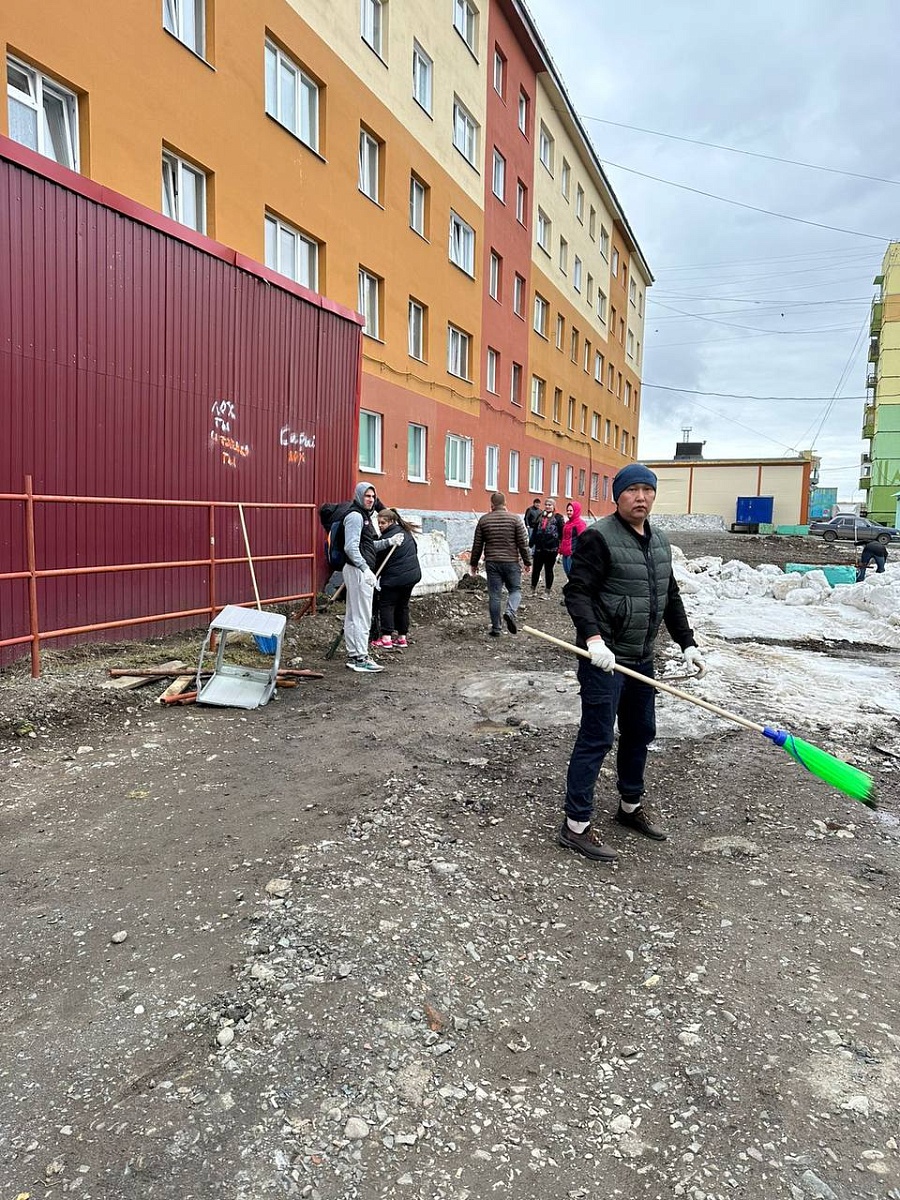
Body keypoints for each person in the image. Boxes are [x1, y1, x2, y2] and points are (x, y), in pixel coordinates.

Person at [558, 463, 708, 861]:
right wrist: (593, 640)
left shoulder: (659, 540)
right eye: (632, 490)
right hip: (604, 659)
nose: (641, 497)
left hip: (642, 658)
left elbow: (668, 595)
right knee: (597, 737)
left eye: (647, 490)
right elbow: (578, 593)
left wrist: (687, 643)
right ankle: (575, 825)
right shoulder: (598, 537)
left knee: (641, 730)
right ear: (618, 495)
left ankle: (629, 807)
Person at [341, 482, 404, 673]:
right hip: (358, 570)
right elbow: (350, 547)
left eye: (373, 496)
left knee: (354, 615)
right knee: (361, 615)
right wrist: (365, 569)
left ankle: (355, 654)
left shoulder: (363, 516)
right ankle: (361, 657)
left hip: (358, 569)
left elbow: (367, 546)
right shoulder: (355, 516)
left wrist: (388, 542)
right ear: (359, 496)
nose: (370, 499)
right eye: (367, 496)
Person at [470, 492, 532, 637]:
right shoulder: (515, 519)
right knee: (515, 590)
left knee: (495, 595)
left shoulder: (484, 520)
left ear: (491, 504)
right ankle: (510, 612)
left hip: (492, 562)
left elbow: (477, 545)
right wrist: (527, 561)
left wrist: (474, 564)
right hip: (511, 561)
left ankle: (496, 628)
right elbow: (523, 543)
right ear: (505, 503)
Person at [371, 509, 422, 650]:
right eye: (378, 522)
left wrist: (371, 575)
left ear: (392, 522)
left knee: (387, 604)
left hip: (395, 577)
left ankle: (386, 638)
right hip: (412, 576)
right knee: (402, 606)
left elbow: (378, 560)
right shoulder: (405, 533)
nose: (380, 525)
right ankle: (402, 638)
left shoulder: (388, 537)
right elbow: (415, 550)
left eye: (383, 523)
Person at [529, 498, 564, 599]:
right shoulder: (540, 516)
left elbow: (562, 533)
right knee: (536, 569)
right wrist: (531, 542)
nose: (548, 506)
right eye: (546, 504)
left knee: (548, 570)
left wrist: (560, 547)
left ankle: (547, 592)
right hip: (539, 548)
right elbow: (535, 530)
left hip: (551, 549)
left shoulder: (558, 517)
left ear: (554, 506)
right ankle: (533, 590)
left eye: (550, 505)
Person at [560, 501, 587, 577]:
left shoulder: (580, 523)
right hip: (565, 553)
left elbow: (583, 540)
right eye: (567, 510)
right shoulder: (567, 523)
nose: (568, 512)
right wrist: (561, 549)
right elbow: (564, 537)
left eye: (571, 510)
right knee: (568, 574)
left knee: (573, 575)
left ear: (576, 511)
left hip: (573, 554)